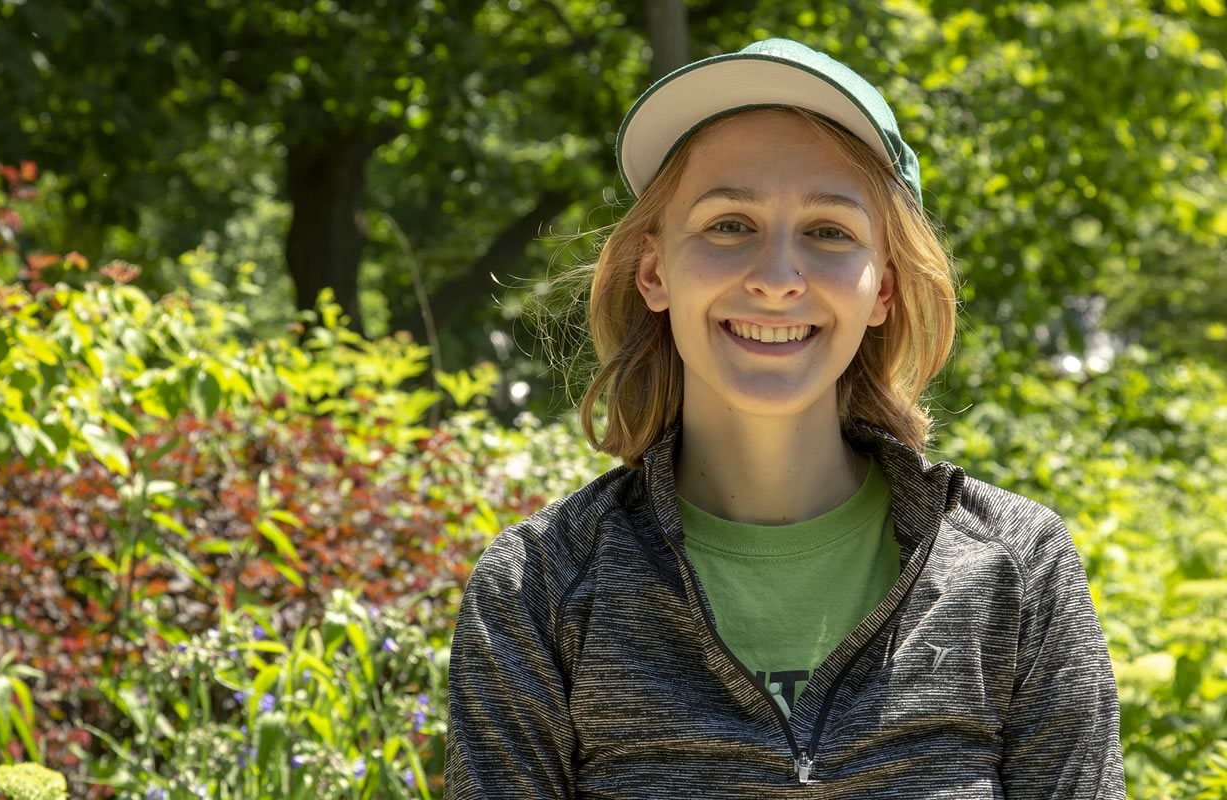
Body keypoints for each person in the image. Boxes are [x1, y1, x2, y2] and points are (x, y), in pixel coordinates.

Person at [444, 38, 1124, 798]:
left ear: (885, 291)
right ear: (654, 270)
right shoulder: (539, 589)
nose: (775, 279)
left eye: (828, 232)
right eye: (729, 224)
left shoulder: (1018, 571)